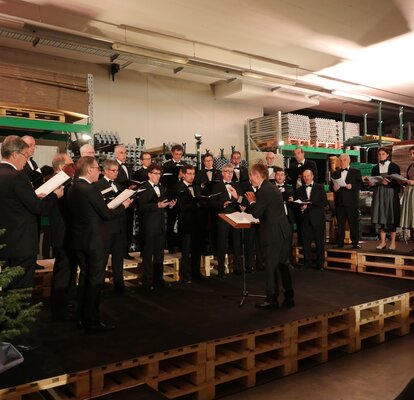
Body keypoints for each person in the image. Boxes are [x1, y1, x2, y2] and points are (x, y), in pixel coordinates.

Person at [66, 156, 132, 333]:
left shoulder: (72, 188)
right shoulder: (91, 189)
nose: (99, 171)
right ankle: (92, 321)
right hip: (94, 242)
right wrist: (123, 205)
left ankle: (82, 317)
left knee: (85, 280)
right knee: (95, 281)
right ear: (89, 170)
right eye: (97, 168)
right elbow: (107, 215)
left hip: (78, 240)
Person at [0, 135, 63, 289]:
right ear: (15, 154)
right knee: (21, 292)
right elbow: (39, 208)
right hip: (21, 244)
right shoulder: (18, 176)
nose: (26, 160)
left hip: (4, 243)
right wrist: (55, 195)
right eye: (26, 156)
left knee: (7, 290)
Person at [245, 163, 294, 309]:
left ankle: (272, 299)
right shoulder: (271, 187)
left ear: (258, 176)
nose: (250, 178)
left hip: (272, 234)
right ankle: (289, 296)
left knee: (271, 266)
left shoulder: (263, 191)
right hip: (284, 231)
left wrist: (252, 201)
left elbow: (257, 213)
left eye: (251, 175)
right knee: (283, 265)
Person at [138, 164, 176, 289]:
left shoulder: (162, 188)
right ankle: (147, 281)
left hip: (160, 225)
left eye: (159, 174)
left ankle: (158, 279)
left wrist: (170, 205)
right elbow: (141, 207)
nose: (158, 176)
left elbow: (163, 206)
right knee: (148, 255)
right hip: (149, 226)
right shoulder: (143, 188)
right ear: (149, 174)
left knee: (160, 254)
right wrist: (157, 206)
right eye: (155, 173)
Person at [49, 153, 77, 320]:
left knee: (70, 270)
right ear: (61, 167)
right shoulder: (57, 183)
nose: (74, 166)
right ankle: (59, 309)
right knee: (63, 271)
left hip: (69, 233)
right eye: (70, 164)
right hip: (62, 234)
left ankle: (68, 302)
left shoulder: (65, 182)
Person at [94, 159, 128, 292]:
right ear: (105, 171)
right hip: (106, 226)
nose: (116, 173)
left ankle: (119, 284)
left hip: (119, 225)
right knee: (102, 259)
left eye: (117, 170)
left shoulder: (119, 186)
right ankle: (99, 286)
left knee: (118, 257)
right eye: (113, 170)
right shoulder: (98, 185)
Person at [210, 163, 243, 277]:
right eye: (227, 171)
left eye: (231, 172)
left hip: (235, 215)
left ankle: (237, 267)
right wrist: (222, 204)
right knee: (222, 243)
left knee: (237, 242)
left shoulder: (236, 185)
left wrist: (237, 199)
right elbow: (212, 202)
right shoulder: (217, 186)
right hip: (222, 216)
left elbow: (241, 200)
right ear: (222, 173)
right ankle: (221, 270)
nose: (229, 174)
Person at [174, 165, 203, 282]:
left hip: (197, 222)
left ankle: (196, 273)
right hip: (186, 223)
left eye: (193, 174)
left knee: (197, 249)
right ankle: (185, 274)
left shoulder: (196, 187)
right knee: (186, 250)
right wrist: (194, 203)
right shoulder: (178, 187)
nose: (192, 176)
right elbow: (180, 206)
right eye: (189, 174)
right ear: (183, 174)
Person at [369, 147, 401, 250]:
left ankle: (392, 242)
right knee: (380, 216)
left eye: (383, 154)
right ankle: (382, 242)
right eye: (379, 154)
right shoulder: (374, 168)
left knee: (391, 216)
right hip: (378, 193)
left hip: (390, 193)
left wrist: (389, 182)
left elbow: (399, 182)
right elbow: (373, 182)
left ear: (387, 155)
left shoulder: (394, 166)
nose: (381, 156)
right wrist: (371, 183)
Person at [295, 169, 328, 270]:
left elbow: (325, 203)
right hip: (305, 219)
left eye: (308, 176)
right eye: (304, 177)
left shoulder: (320, 187)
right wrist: (301, 207)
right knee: (306, 243)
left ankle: (320, 264)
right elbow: (297, 204)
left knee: (319, 242)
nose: (306, 178)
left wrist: (310, 204)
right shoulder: (299, 189)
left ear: (312, 176)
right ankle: (307, 263)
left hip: (318, 218)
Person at [330, 154, 363, 249]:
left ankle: (355, 242)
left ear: (349, 161)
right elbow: (330, 187)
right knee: (340, 224)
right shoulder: (335, 173)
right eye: (340, 160)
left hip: (352, 203)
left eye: (344, 160)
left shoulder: (356, 172)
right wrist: (334, 188)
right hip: (339, 203)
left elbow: (361, 185)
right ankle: (340, 242)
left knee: (353, 223)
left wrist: (352, 186)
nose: (342, 162)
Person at [286, 147, 318, 245]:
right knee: (299, 218)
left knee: (310, 218)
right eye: (295, 154)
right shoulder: (292, 166)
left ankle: (312, 241)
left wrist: (303, 176)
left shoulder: (311, 164)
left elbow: (315, 177)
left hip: (308, 193)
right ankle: (300, 241)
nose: (297, 156)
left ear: (303, 153)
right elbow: (291, 181)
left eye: (298, 153)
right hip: (297, 194)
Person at [114, 144, 135, 259]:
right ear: (116, 154)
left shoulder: (128, 166)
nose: (124, 155)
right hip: (119, 200)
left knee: (128, 226)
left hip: (129, 200)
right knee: (120, 227)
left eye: (125, 152)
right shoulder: (114, 166)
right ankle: (119, 251)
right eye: (122, 152)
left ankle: (126, 250)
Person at [162, 144, 185, 253]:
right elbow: (165, 181)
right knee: (171, 221)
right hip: (172, 196)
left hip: (183, 197)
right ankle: (170, 246)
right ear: (172, 153)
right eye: (176, 154)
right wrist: (178, 177)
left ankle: (181, 245)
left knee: (182, 221)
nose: (178, 156)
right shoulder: (167, 165)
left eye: (180, 154)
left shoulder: (185, 164)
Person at [400, 146, 414, 251]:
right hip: (410, 193)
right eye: (411, 154)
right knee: (411, 219)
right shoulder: (411, 166)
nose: (412, 156)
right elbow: (408, 179)